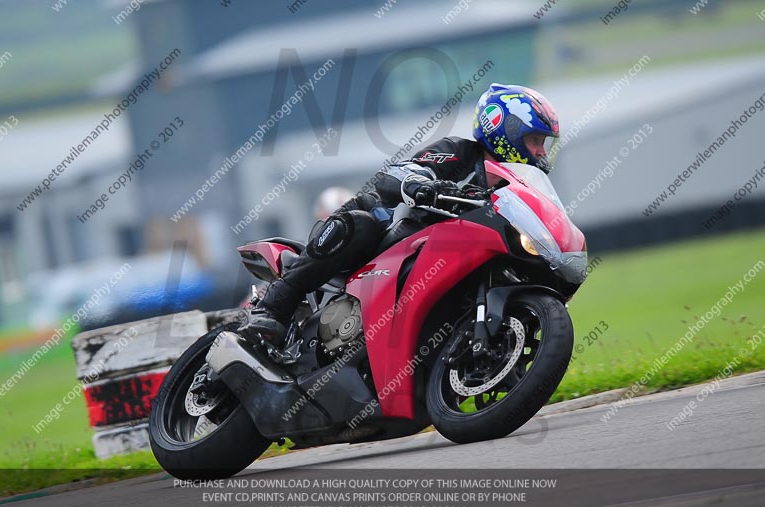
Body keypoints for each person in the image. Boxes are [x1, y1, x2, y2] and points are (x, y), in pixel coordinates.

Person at [238, 83, 560, 349]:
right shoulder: (460, 153)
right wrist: (421, 185)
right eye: (535, 141)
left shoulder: (513, 188)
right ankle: (273, 307)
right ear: (506, 130)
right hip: (391, 233)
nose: (541, 152)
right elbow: (396, 174)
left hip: (441, 259)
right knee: (363, 224)